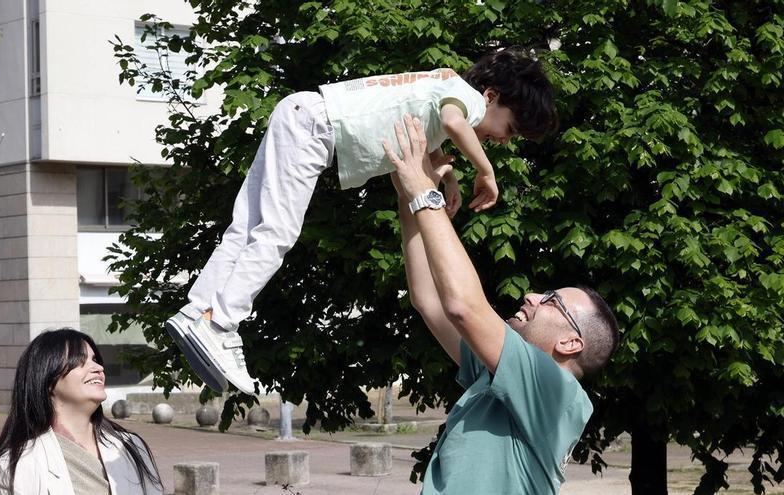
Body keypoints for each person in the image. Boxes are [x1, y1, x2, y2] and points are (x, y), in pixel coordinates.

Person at [166, 47, 559, 394]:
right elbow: (457, 124)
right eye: (508, 129)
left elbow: (427, 153)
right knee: (277, 232)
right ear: (492, 96)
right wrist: (485, 171)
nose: (504, 140)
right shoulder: (468, 101)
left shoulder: (441, 91)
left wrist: (449, 177)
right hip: (314, 130)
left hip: (302, 113)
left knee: (247, 227)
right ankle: (221, 326)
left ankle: (199, 311)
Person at [382, 115, 619, 494]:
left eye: (552, 300)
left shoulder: (556, 390)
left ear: (571, 344)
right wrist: (408, 195)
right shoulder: (498, 378)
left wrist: (424, 192)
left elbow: (464, 306)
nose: (532, 296)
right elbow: (429, 300)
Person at [0, 328, 163, 495]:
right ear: (48, 380)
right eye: (80, 361)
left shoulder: (131, 447)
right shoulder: (11, 470)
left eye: (95, 360)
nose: (98, 368)